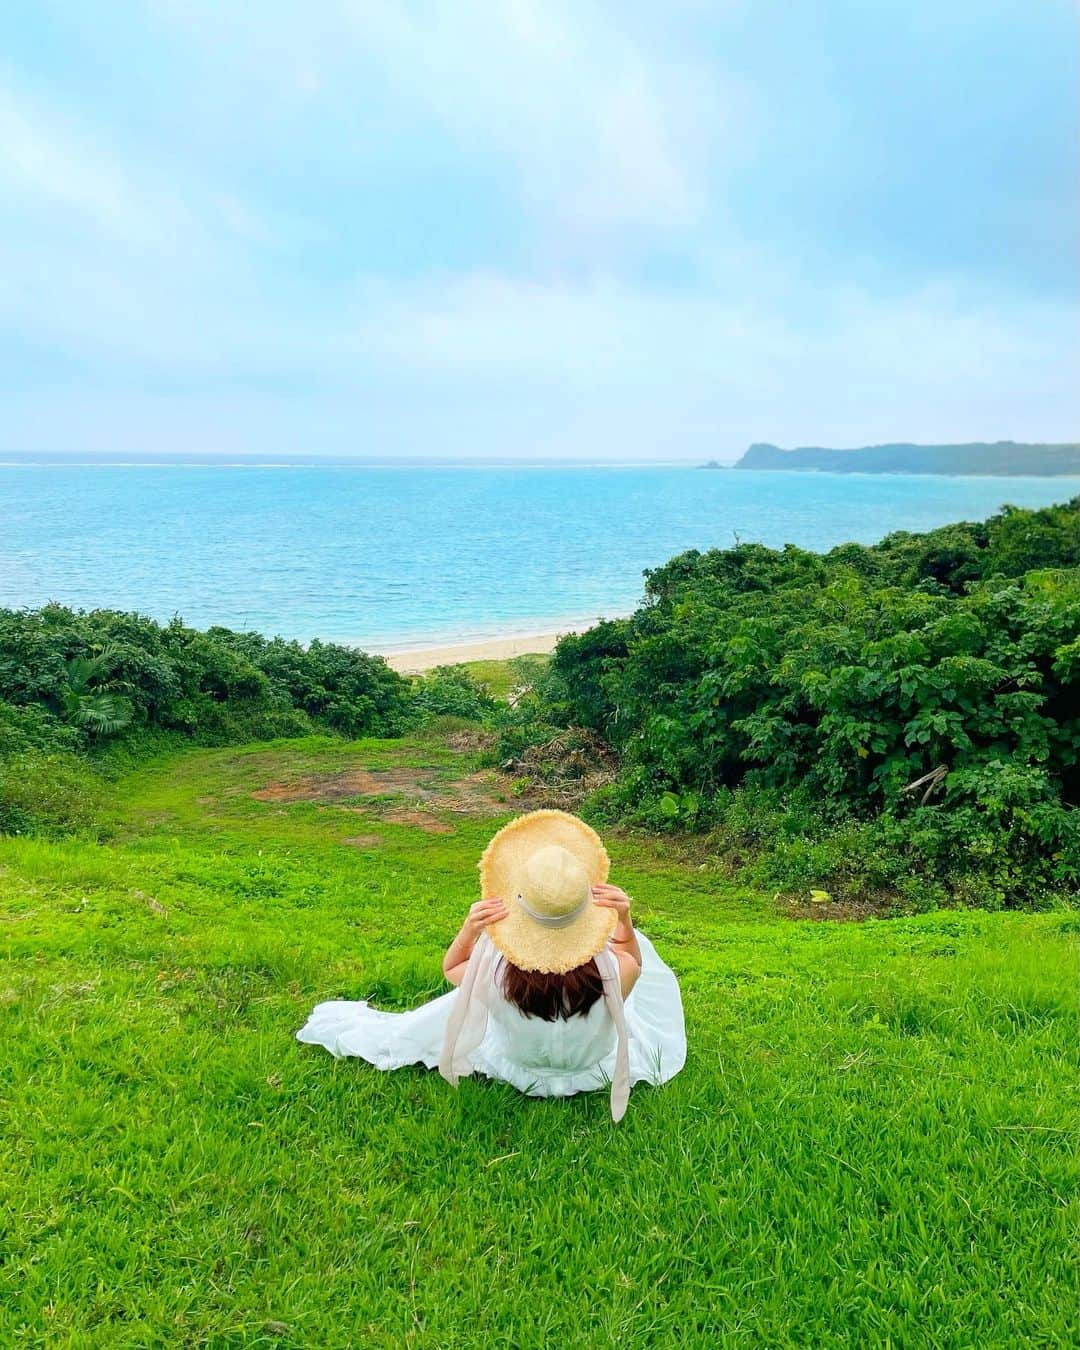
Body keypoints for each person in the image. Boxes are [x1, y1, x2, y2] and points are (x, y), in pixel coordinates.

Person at [296, 809, 686, 1120]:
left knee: (472, 984)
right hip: (589, 1070)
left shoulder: (496, 975)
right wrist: (624, 920)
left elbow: (451, 968)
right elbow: (633, 956)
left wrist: (470, 929)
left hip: (521, 1068)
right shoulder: (616, 974)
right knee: (638, 951)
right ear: (584, 910)